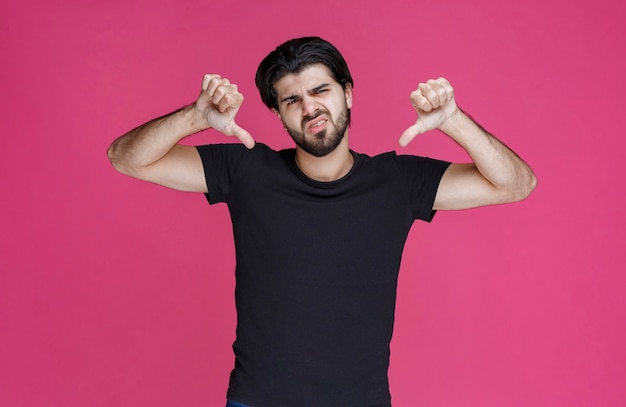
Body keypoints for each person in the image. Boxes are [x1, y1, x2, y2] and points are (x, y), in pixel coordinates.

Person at [107, 37, 536, 407]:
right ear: (277, 114)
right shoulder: (246, 171)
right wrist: (195, 117)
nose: (310, 107)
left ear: (347, 93)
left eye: (320, 90)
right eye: (292, 100)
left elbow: (517, 184)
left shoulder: (399, 181)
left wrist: (454, 122)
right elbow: (125, 158)